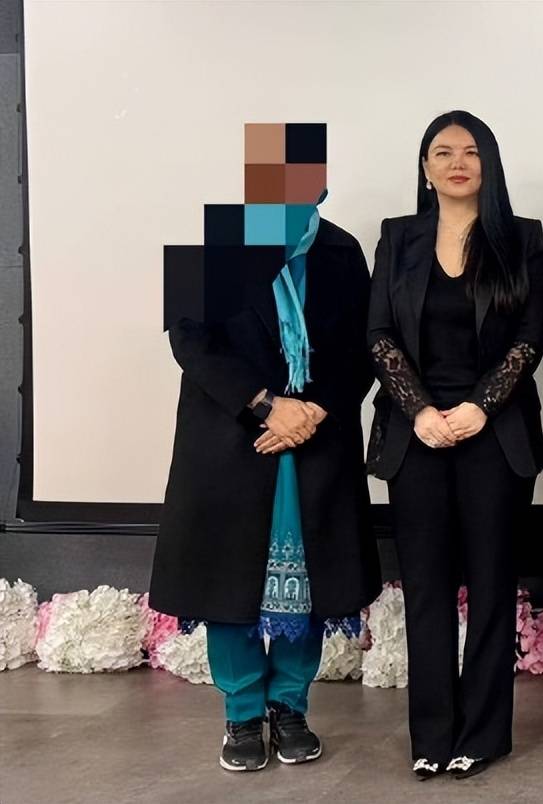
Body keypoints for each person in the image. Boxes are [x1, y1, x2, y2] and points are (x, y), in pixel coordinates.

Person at [151, 122, 379, 772]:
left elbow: (363, 344)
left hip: (315, 443)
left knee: (307, 585)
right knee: (232, 585)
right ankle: (242, 713)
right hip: (232, 445)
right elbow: (189, 340)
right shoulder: (212, 242)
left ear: (321, 184)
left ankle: (290, 706)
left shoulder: (342, 250)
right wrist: (265, 405)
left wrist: (314, 409)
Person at [365, 110, 543, 780]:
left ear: (488, 164)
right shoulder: (398, 237)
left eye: (471, 152)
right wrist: (419, 410)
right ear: (425, 169)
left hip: (494, 435)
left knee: (493, 586)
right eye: (442, 153)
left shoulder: (520, 238)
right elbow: (378, 333)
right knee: (426, 588)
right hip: (416, 435)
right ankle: (432, 736)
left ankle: (485, 734)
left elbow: (530, 337)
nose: (457, 163)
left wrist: (477, 407)